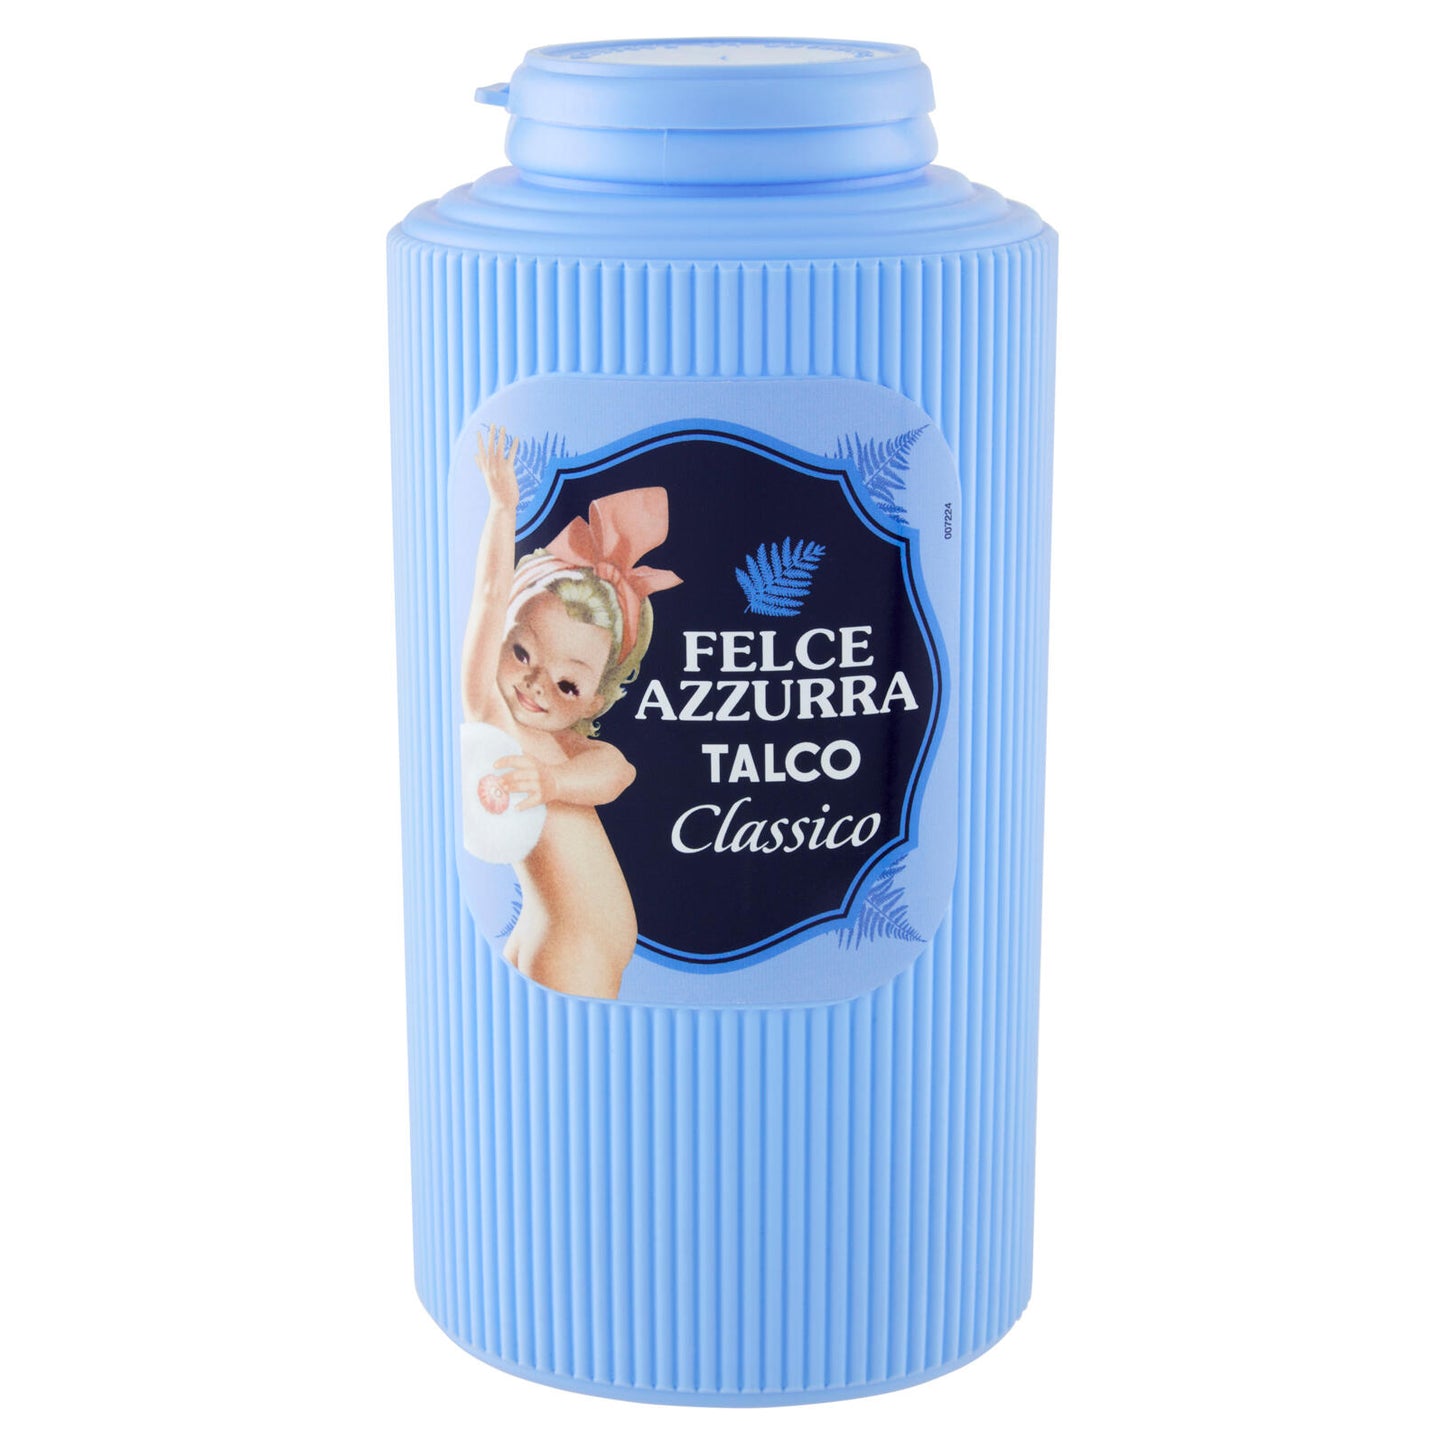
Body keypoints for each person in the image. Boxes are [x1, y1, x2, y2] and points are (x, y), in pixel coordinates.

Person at [459, 424, 681, 998]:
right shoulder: (494, 716)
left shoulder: (566, 751)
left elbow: (618, 772)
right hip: (569, 942)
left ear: (595, 700)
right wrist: (502, 510)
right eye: (521, 652)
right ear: (500, 638)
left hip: (567, 937)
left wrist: (553, 780)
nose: (537, 685)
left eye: (567, 684)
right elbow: (489, 596)